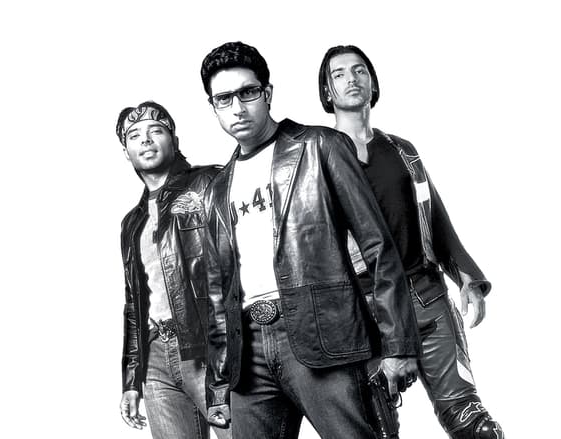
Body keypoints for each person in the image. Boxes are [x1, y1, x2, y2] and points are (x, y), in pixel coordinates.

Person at [200, 41, 421, 439]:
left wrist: (399, 344)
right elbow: (218, 291)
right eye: (224, 99)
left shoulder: (320, 146)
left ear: (267, 93)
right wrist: (218, 383)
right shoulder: (217, 189)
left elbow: (378, 246)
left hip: (326, 335)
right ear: (213, 106)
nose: (237, 108)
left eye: (248, 93)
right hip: (247, 356)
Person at [318, 45, 505, 439]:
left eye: (360, 70)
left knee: (474, 424)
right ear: (327, 91)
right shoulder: (316, 159)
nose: (351, 79)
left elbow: (434, 218)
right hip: (364, 312)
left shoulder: (402, 150)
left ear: (373, 82)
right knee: (377, 431)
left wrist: (468, 278)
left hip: (425, 296)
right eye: (339, 74)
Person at [115, 101, 229, 438]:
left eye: (156, 130)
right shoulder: (132, 222)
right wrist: (132, 379)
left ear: (174, 140)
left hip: (208, 348)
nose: (146, 140)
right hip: (156, 358)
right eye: (134, 135)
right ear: (126, 152)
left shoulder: (209, 182)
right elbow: (135, 303)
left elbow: (237, 264)